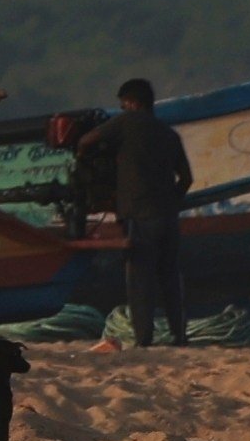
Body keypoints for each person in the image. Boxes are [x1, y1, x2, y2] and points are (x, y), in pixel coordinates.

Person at [79, 78, 193, 347]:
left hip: (140, 216)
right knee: (169, 277)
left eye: (123, 105)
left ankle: (144, 341)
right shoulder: (169, 134)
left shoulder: (126, 123)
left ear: (131, 103)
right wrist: (172, 203)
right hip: (168, 217)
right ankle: (179, 336)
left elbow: (87, 140)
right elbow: (187, 179)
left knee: (140, 280)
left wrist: (85, 160)